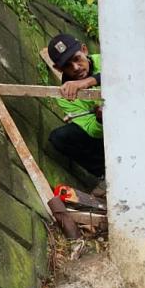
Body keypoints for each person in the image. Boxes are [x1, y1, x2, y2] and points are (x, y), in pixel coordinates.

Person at [46, 33, 105, 187]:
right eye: (67, 65)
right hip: (106, 135)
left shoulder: (104, 60)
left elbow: (124, 74)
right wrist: (100, 120)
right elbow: (91, 130)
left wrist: (87, 82)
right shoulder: (64, 96)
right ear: (58, 68)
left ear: (84, 50)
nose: (76, 68)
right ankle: (105, 173)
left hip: (134, 121)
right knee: (60, 137)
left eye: (77, 58)